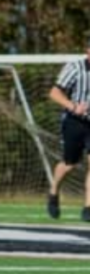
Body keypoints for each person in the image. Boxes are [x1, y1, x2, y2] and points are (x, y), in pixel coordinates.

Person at [46, 39, 90, 222]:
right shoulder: (75, 67)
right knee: (69, 163)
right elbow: (54, 93)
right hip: (74, 121)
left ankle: (88, 207)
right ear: (88, 51)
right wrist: (72, 106)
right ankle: (54, 191)